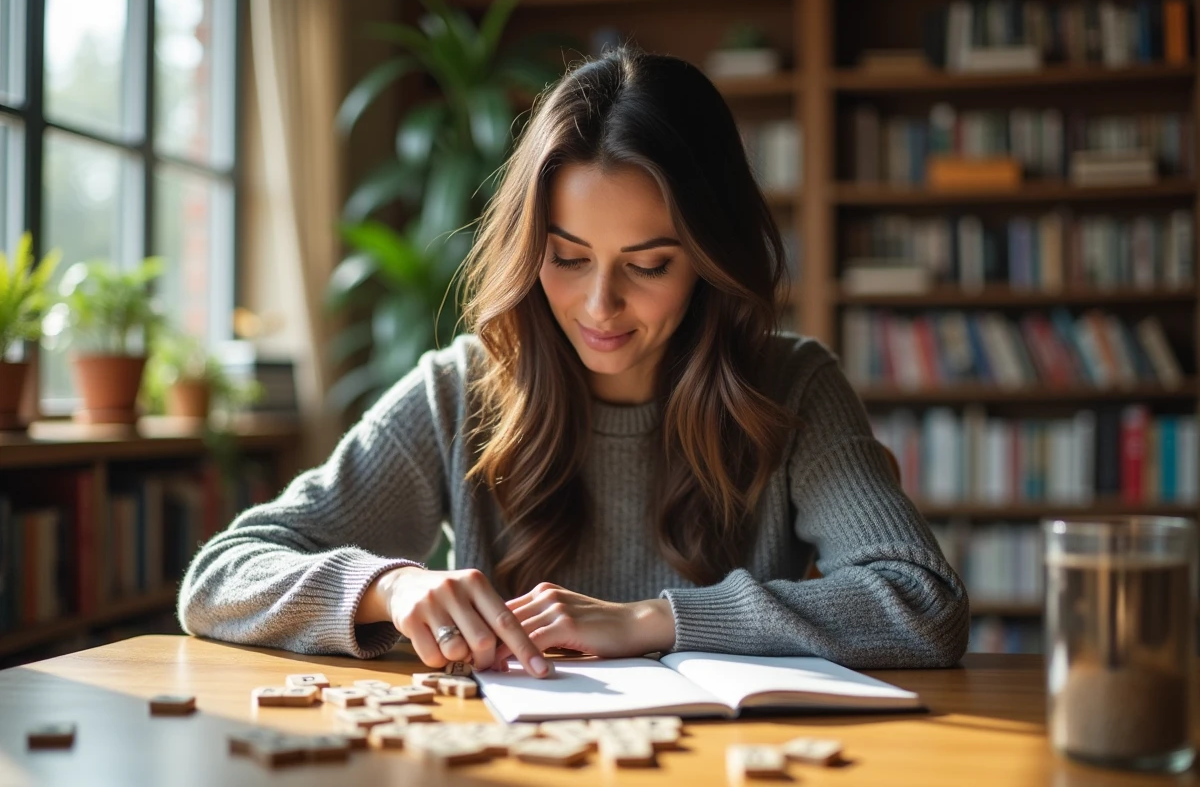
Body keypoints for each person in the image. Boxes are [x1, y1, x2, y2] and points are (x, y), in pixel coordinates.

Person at [178, 47, 969, 679]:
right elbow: (218, 578)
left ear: (708, 261)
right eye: (566, 258)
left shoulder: (793, 385)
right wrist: (393, 588)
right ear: (531, 251)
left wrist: (653, 620)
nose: (599, 306)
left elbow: (923, 603)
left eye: (649, 265)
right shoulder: (462, 389)